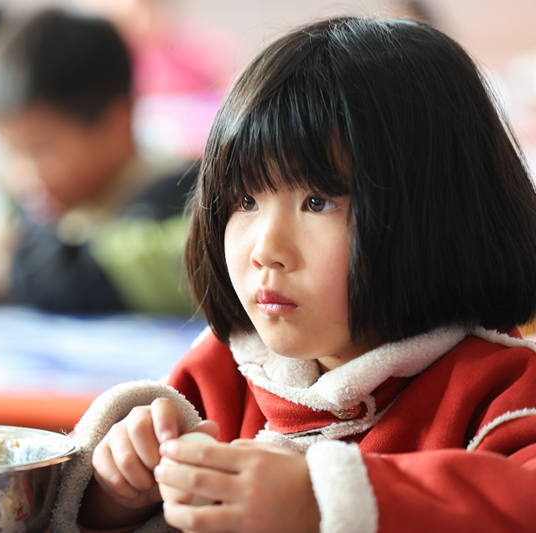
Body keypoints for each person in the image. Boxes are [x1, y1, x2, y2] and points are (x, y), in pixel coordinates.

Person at [47, 17, 536, 533]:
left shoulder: (500, 392)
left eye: (317, 201)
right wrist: (119, 497)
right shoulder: (224, 374)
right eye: (246, 200)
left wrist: (323, 501)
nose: (266, 250)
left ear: (437, 212)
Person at [0, 8, 196, 314]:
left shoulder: (187, 197)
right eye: (11, 152)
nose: (22, 175)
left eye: (39, 149)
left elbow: (152, 267)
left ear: (115, 124)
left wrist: (15, 263)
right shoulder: (54, 209)